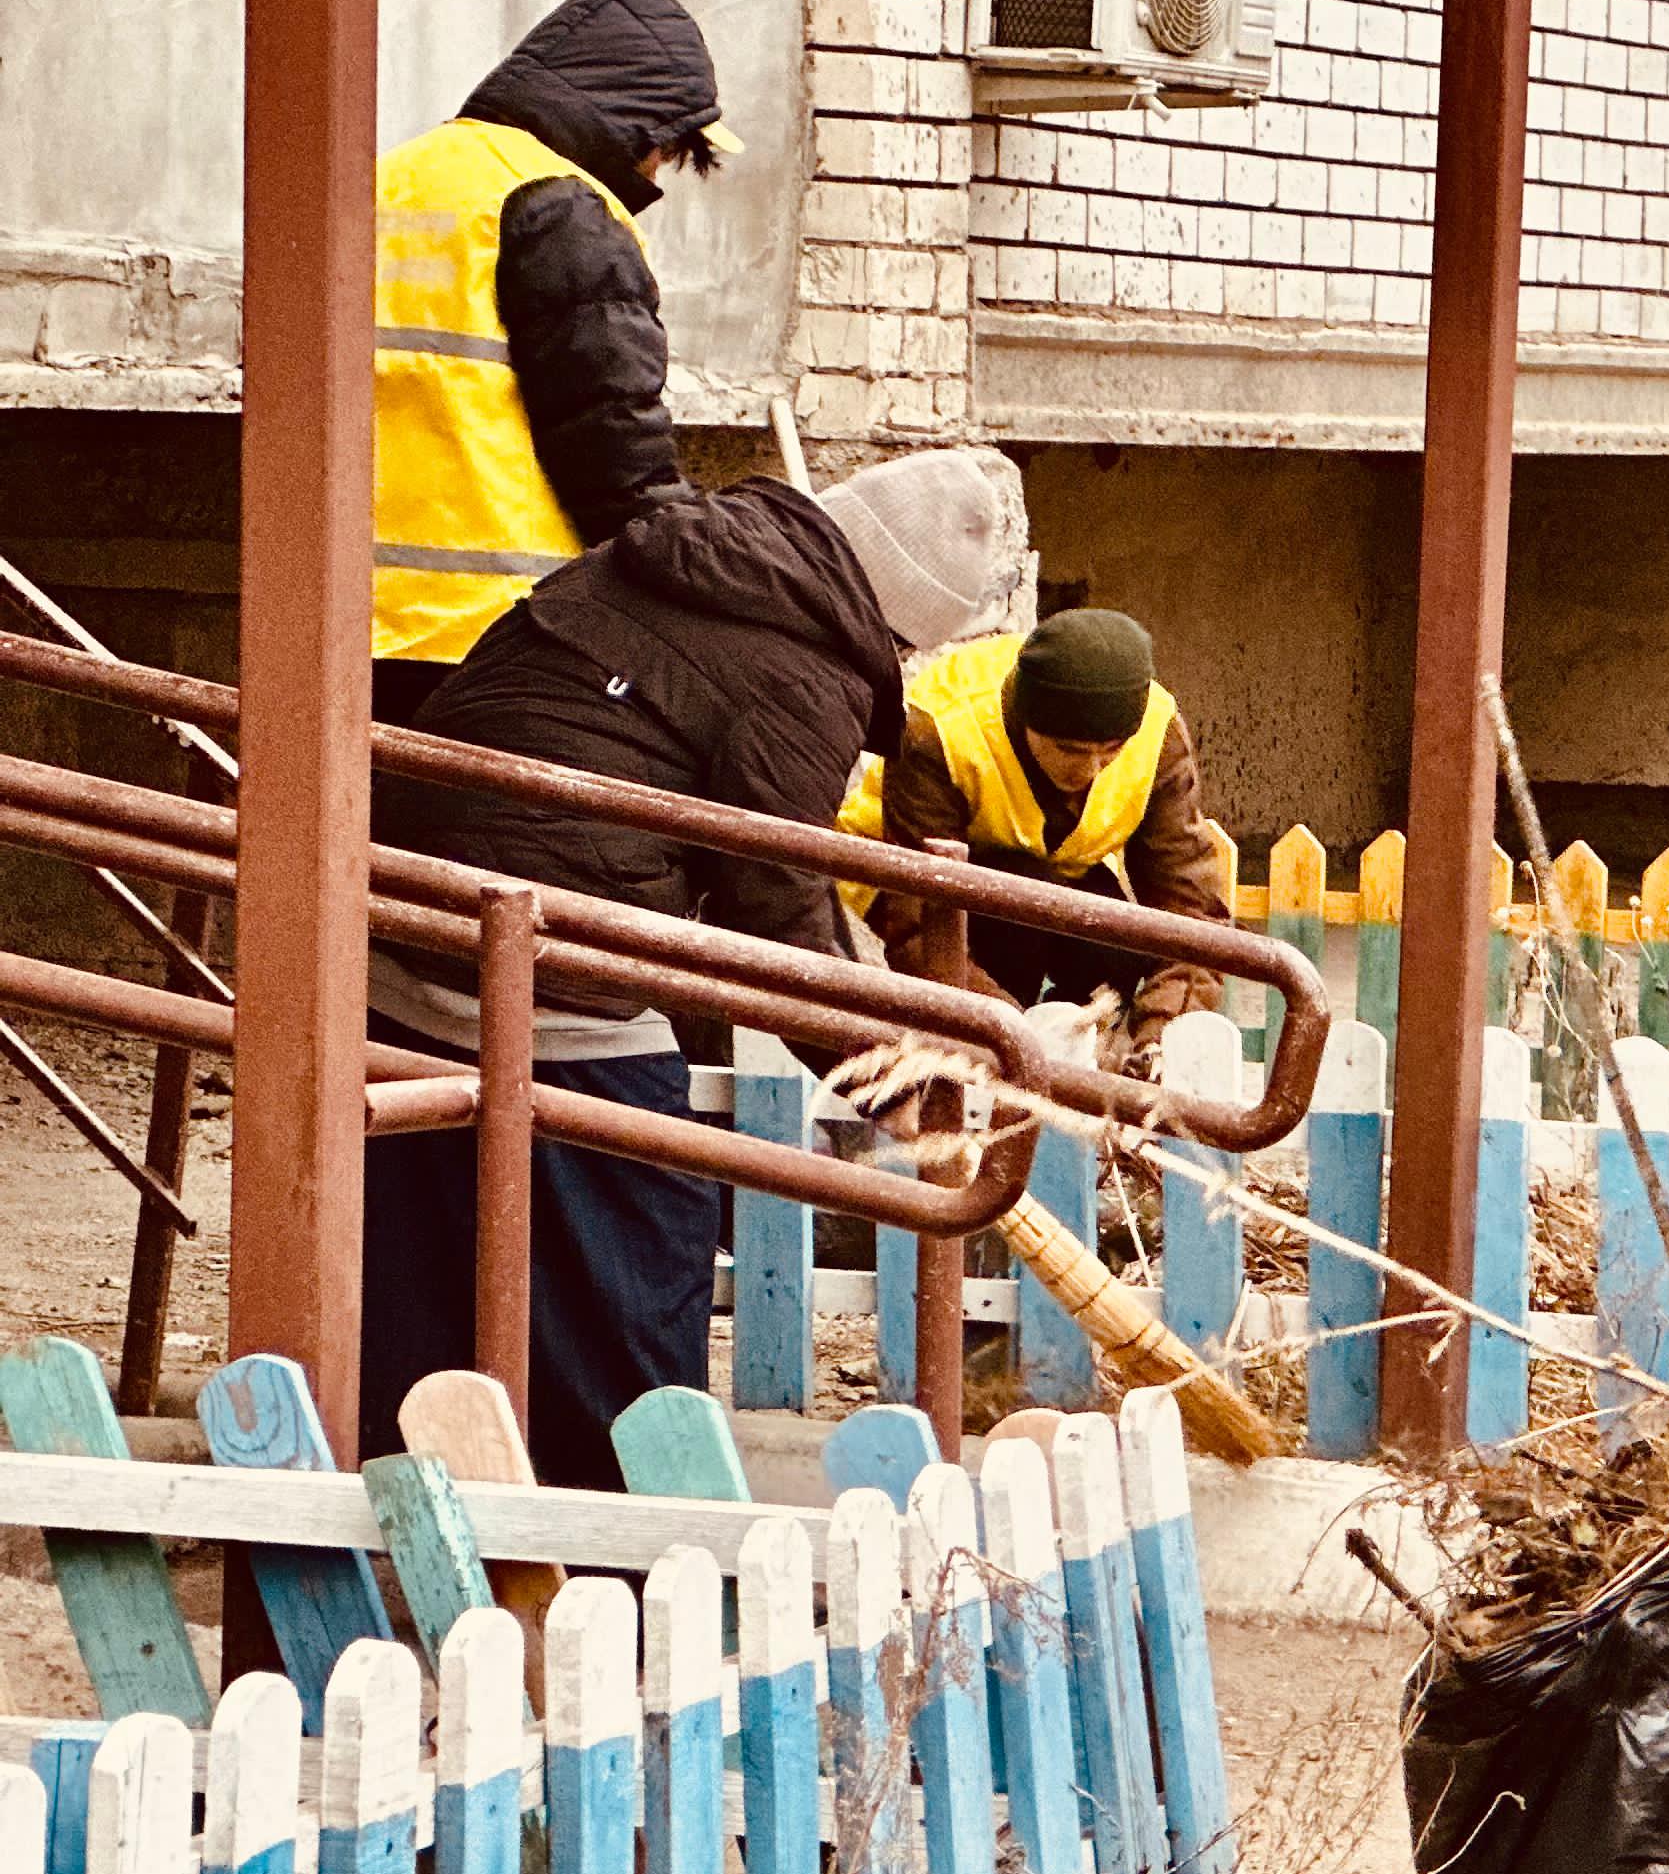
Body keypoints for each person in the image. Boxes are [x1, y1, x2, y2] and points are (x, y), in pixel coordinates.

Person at [360, 451, 1025, 1486]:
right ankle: (622, 1533)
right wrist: (886, 1074)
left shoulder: (658, 553)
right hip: (554, 962)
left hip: (402, 913)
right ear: (897, 624)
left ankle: (409, 1487)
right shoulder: (810, 672)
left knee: (434, 1243)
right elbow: (777, 905)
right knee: (642, 1244)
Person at [373, 0, 739, 724]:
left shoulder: (389, 176)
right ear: (639, 131)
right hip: (503, 631)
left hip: (342, 617)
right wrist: (711, 571)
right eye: (665, 158)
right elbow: (611, 440)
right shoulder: (560, 204)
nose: (654, 181)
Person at [850, 609, 1234, 1049]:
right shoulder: (938, 727)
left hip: (1058, 873)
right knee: (1012, 938)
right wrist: (1007, 1038)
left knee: (1119, 957)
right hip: (924, 880)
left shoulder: (1159, 732)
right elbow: (918, 921)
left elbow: (1188, 900)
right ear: (1024, 720)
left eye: (1110, 752)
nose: (1090, 770)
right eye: (1069, 750)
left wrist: (1164, 1037)